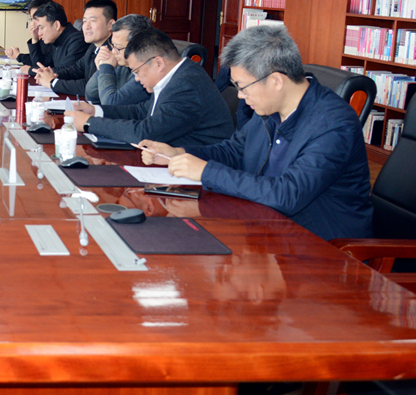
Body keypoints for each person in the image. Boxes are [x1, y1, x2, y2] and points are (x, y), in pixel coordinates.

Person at [138, 25, 373, 241]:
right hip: (266, 226)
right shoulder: (269, 109)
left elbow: (287, 194)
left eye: (242, 86)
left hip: (322, 246)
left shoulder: (333, 125)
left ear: (276, 81)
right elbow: (233, 152)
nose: (240, 96)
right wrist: (179, 153)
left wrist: (207, 172)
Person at [65, 27, 234, 147]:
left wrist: (90, 123)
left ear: (158, 63)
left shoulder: (186, 85)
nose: (137, 79)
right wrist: (96, 111)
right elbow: (142, 111)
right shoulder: (179, 75)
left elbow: (146, 133)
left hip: (196, 168)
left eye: (137, 71)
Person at [38, 13, 152, 105]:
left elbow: (111, 103)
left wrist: (105, 68)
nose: (113, 52)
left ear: (139, 46)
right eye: (113, 46)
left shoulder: (143, 72)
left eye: (118, 47)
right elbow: (91, 94)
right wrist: (101, 69)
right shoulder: (116, 59)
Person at [19, 0, 86, 77]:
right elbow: (41, 64)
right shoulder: (56, 40)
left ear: (56, 25)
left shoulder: (77, 41)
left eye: (42, 28)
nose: (39, 33)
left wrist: (31, 70)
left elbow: (65, 71)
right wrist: (35, 38)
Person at [5, 0, 53, 67]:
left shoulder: (52, 37)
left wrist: (18, 56)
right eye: (32, 18)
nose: (33, 22)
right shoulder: (44, 36)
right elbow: (37, 58)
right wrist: (17, 56)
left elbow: (40, 65)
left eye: (36, 18)